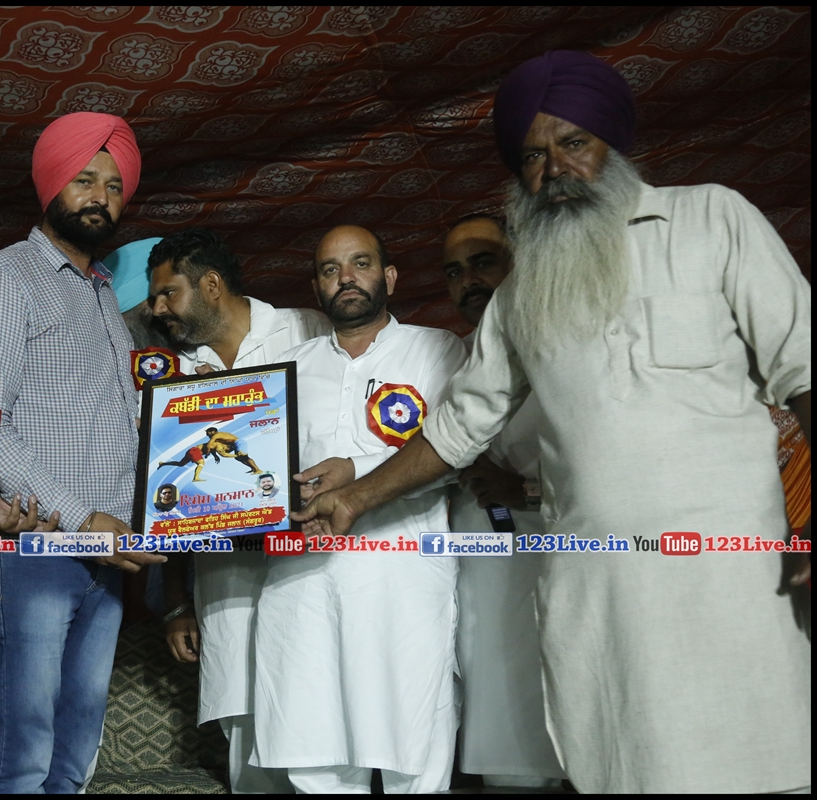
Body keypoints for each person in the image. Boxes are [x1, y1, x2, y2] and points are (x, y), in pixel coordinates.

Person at [297, 51, 811, 794]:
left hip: (733, 575)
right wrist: (354, 498)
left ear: (612, 144)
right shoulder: (522, 292)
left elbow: (804, 365)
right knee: (629, 768)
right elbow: (459, 425)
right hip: (599, 595)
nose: (556, 169)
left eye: (573, 143)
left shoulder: (712, 219)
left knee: (767, 758)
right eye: (532, 156)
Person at [0, 111, 165, 794]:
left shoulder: (104, 290)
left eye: (113, 185)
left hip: (108, 554)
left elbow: (127, 421)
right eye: (84, 180)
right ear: (50, 183)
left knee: (76, 745)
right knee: (23, 748)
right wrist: (82, 520)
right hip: (41, 547)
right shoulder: (4, 277)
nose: (100, 197)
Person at [253, 224, 467, 793]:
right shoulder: (286, 368)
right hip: (303, 581)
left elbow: (455, 450)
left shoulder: (437, 348)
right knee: (315, 745)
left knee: (413, 741)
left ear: (389, 276)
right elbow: (259, 473)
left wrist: (355, 468)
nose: (345, 278)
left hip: (402, 577)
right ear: (317, 288)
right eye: (330, 269)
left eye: (360, 263)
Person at [147, 227, 330, 794]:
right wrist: (176, 601)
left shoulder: (308, 331)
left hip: (308, 570)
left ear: (211, 285)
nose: (157, 309)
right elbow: (168, 501)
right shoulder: (174, 373)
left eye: (168, 293)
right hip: (225, 582)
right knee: (247, 736)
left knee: (315, 715)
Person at [442, 215, 565, 788]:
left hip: (565, 550)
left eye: (482, 263)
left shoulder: (569, 347)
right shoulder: (448, 359)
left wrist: (527, 491)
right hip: (481, 566)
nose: (468, 281)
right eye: (453, 272)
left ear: (519, 262)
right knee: (500, 722)